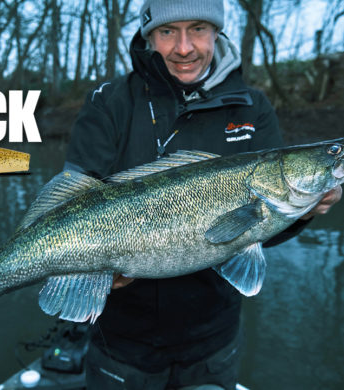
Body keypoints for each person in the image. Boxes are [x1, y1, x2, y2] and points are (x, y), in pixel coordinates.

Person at [63, 0, 343, 389]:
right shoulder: (109, 101)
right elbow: (70, 200)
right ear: (148, 37)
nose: (183, 47)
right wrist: (86, 272)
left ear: (217, 32)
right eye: (167, 32)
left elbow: (266, 228)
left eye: (198, 28)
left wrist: (307, 211)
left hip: (213, 341)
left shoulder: (252, 107)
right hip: (121, 342)